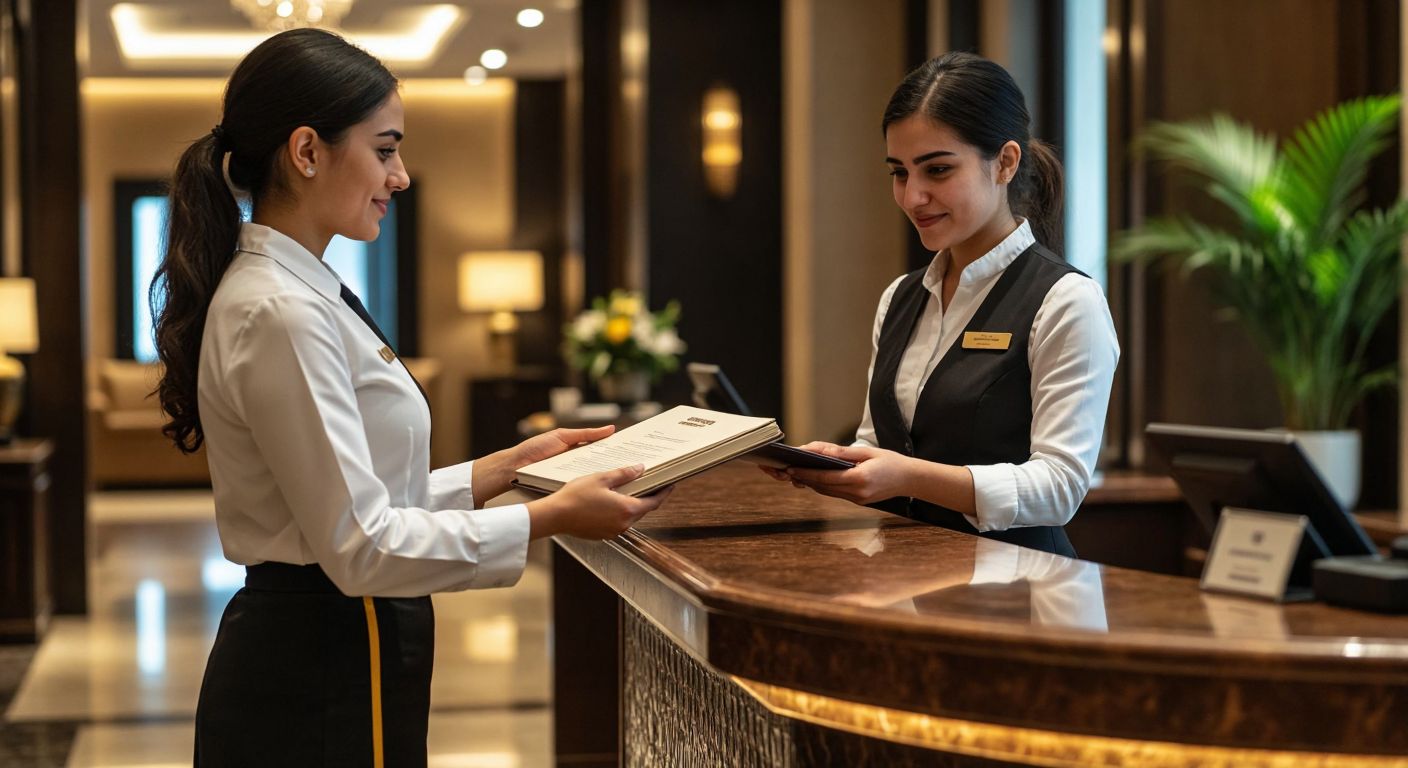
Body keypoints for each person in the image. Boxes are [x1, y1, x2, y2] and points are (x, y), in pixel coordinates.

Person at [152, 28, 668, 767]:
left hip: (335, 639)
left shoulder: (299, 290)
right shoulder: (281, 311)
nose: (400, 177)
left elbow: (355, 505)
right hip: (321, 659)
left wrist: (511, 465)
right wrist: (549, 519)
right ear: (306, 152)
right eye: (386, 149)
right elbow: (359, 547)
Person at [765, 52, 1119, 557]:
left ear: (1006, 162)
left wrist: (907, 476)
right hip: (906, 579)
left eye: (937, 170)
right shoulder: (899, 298)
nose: (913, 197)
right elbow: (880, 442)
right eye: (899, 173)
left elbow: (1060, 487)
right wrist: (839, 464)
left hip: (1022, 593)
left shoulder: (1065, 301)